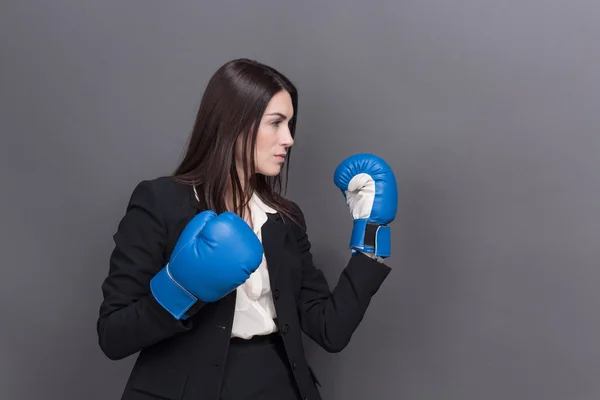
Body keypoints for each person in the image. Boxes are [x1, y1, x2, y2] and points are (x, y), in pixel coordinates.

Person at [96, 58, 398, 400]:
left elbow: (331, 330)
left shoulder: (284, 218)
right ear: (233, 124)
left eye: (290, 124)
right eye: (276, 123)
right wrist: (181, 290)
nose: (289, 139)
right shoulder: (161, 201)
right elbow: (113, 335)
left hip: (277, 385)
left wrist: (370, 235)